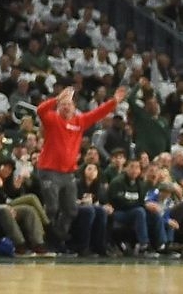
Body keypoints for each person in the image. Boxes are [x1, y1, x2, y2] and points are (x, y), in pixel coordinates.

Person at [34, 82, 124, 250]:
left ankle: (57, 237)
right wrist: (57, 99)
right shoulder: (52, 119)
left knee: (71, 210)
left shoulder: (80, 121)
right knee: (52, 207)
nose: (66, 107)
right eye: (63, 104)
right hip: (49, 171)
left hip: (68, 173)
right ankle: (41, 238)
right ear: (58, 107)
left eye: (69, 104)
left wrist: (114, 102)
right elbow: (40, 110)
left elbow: (98, 114)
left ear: (75, 107)